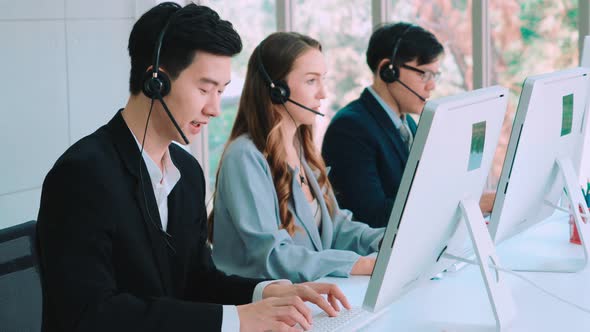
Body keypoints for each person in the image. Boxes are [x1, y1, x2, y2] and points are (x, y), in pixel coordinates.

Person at [36, 3, 349, 332]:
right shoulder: (82, 175)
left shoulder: (186, 173)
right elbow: (91, 314)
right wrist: (237, 319)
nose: (215, 109)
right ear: (155, 82)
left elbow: (196, 281)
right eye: (204, 89)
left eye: (222, 91)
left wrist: (268, 292)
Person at [208, 32, 385, 283]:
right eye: (311, 81)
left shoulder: (302, 151)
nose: (323, 93)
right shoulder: (245, 157)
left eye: (323, 80)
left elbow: (337, 229)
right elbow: (272, 256)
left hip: (307, 299)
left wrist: (390, 241)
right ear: (277, 90)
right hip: (261, 308)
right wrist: (360, 264)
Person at [322, 22, 495, 228]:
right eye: (423, 74)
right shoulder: (350, 129)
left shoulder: (409, 125)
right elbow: (372, 216)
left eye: (434, 75)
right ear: (388, 70)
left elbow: (423, 194)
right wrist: (467, 205)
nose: (431, 85)